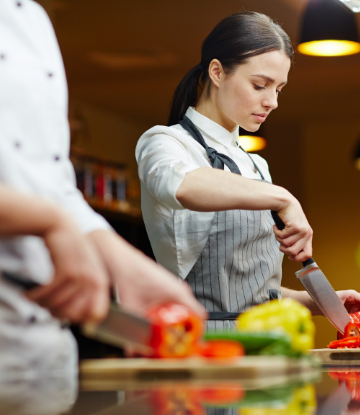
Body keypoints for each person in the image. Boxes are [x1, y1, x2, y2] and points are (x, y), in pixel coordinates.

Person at [0, 0, 205, 374]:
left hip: (41, 358)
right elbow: (50, 212)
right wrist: (49, 222)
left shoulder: (33, 19)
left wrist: (126, 264)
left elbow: (52, 183)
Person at [136, 11, 360, 330]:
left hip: (267, 341)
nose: (273, 101)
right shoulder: (165, 143)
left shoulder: (256, 164)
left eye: (278, 89)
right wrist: (283, 199)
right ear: (217, 72)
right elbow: (182, 185)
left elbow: (252, 294)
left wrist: (317, 303)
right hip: (206, 345)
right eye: (260, 85)